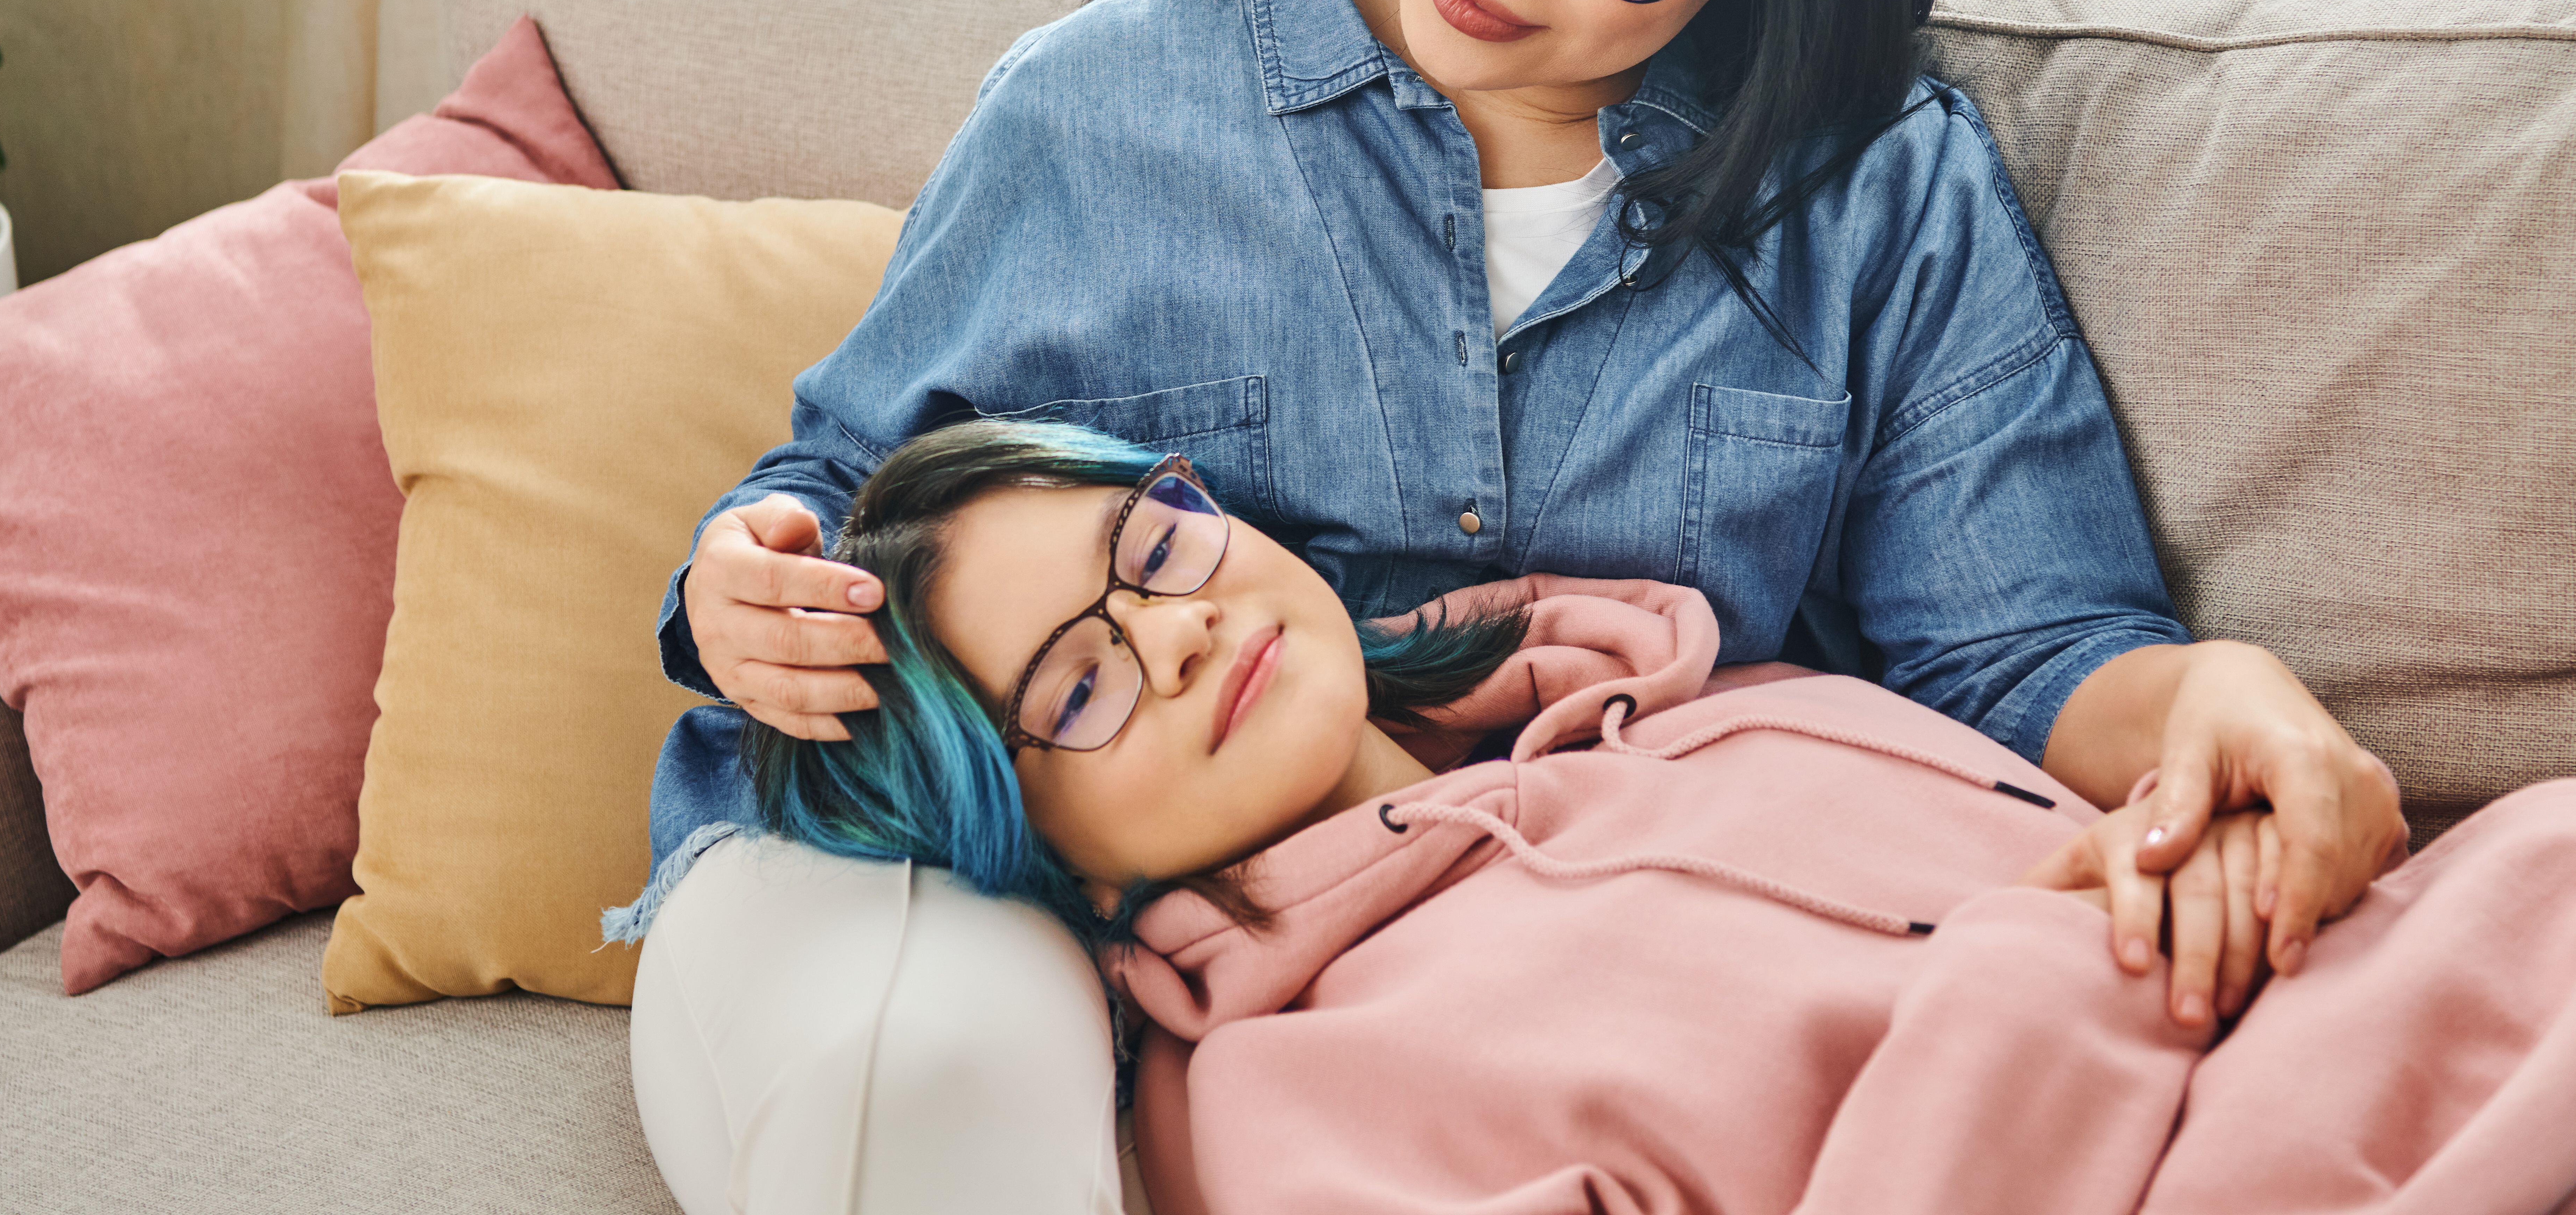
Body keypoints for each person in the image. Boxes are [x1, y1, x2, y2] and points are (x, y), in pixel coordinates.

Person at [622, 0, 2405, 1213]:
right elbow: (840, 495)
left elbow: (2021, 643)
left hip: (1567, 965)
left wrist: (2222, 700)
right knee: (937, 1071)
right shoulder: (1108, 110)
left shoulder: (1868, 186)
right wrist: (738, 591)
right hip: (976, 885)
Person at [710, 421, 2576, 1215]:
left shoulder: (1701, 695)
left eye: (1154, 542)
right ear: (1050, 840)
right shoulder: (1291, 1106)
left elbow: (2183, 836)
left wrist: (2225, 803)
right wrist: (2048, 971)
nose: (1181, 624)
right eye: (1080, 683)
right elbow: (2055, 952)